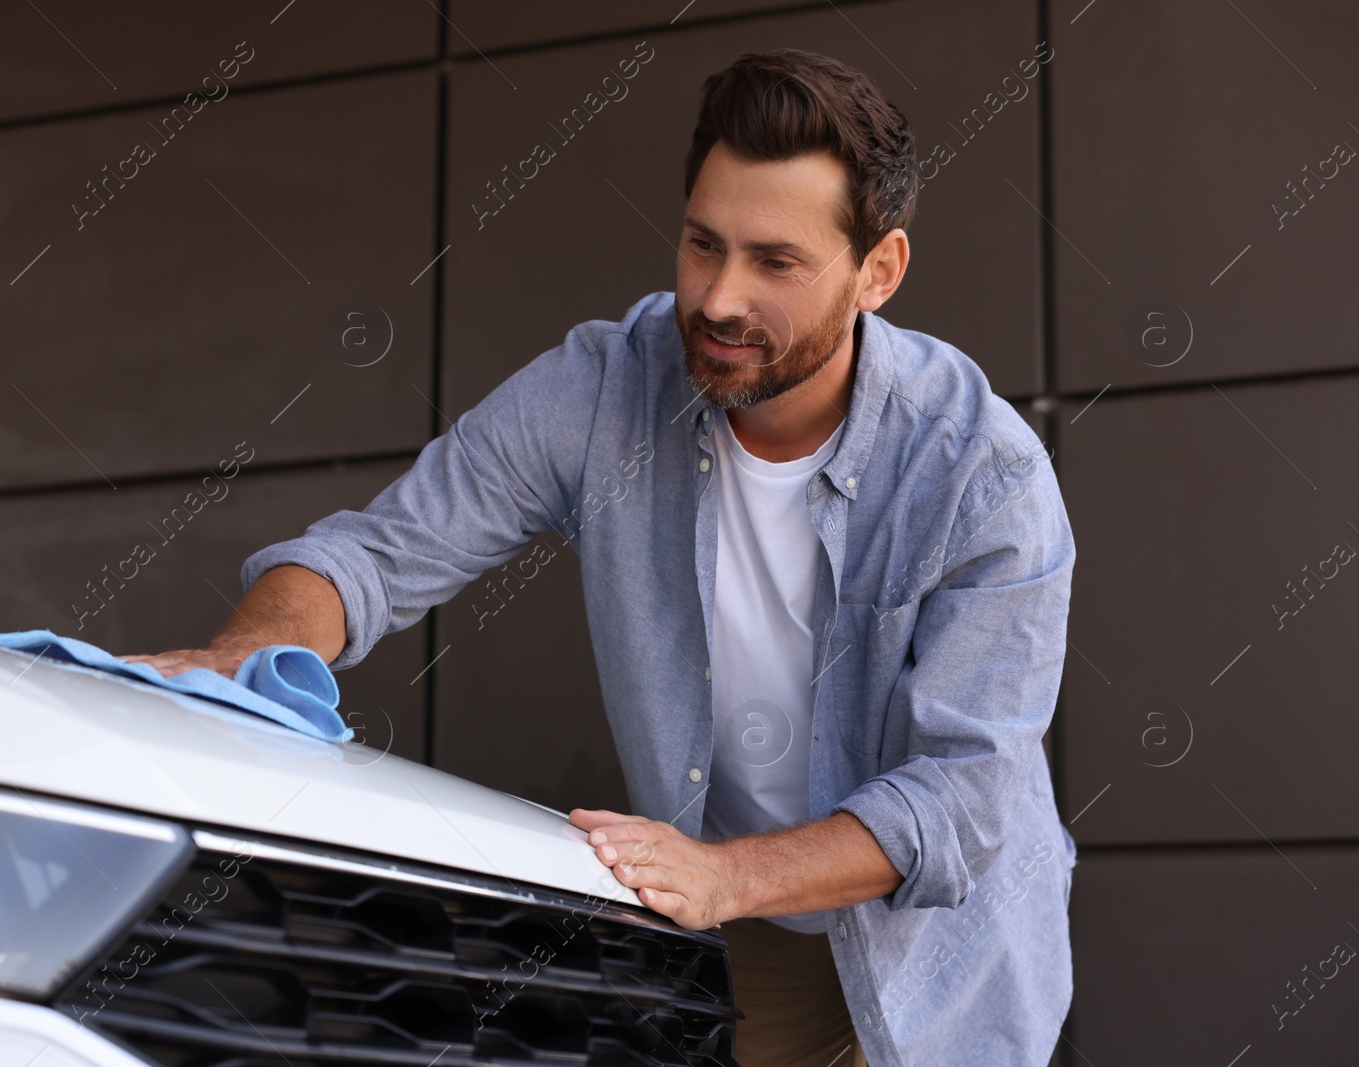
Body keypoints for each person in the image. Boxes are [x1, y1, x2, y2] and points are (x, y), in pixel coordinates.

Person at [126, 48, 1078, 1067]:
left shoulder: (983, 473)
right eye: (702, 244)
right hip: (746, 935)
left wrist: (720, 874)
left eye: (774, 262)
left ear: (876, 273)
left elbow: (960, 796)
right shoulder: (603, 389)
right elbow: (374, 553)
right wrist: (240, 660)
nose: (716, 298)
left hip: (950, 954)